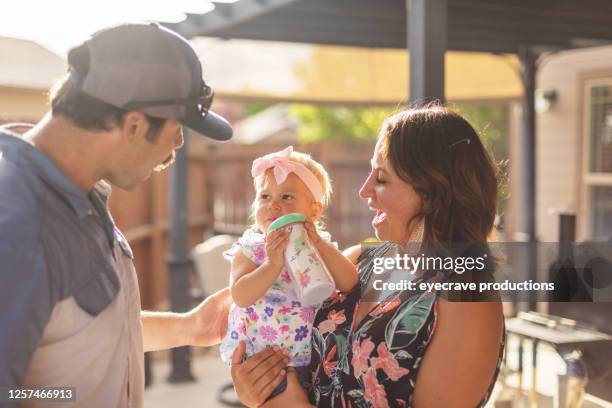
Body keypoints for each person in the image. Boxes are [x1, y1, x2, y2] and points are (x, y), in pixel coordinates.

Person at [0, 22, 246, 407]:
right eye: (177, 128)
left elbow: (74, 331)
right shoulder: (16, 226)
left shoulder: (80, 195)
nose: (178, 145)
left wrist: (190, 326)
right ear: (134, 124)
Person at [230, 104, 505, 407]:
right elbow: (253, 308)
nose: (364, 190)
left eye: (382, 179)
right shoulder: (359, 260)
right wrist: (252, 387)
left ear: (432, 191)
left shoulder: (469, 298)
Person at [220, 146, 358, 398]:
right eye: (265, 197)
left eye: (286, 197)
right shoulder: (252, 249)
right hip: (264, 360)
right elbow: (240, 295)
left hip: (314, 359)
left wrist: (320, 245)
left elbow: (349, 282)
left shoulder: (318, 245)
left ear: (313, 212)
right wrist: (271, 265)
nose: (273, 205)